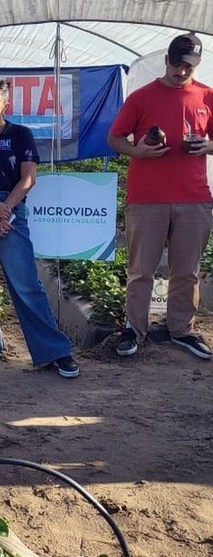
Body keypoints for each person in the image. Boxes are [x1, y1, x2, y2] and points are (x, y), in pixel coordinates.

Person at [0, 79, 79, 379]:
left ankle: (55, 351)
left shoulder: (21, 135)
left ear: (5, 104)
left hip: (10, 211)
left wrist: (6, 208)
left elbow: (28, 179)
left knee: (25, 281)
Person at [107, 33, 213, 360]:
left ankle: (182, 329)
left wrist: (208, 145)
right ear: (166, 60)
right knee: (141, 269)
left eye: (188, 66)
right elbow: (115, 138)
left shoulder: (208, 96)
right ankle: (134, 329)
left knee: (187, 269)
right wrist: (138, 151)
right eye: (177, 64)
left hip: (194, 196)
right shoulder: (142, 97)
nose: (182, 72)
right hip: (146, 197)